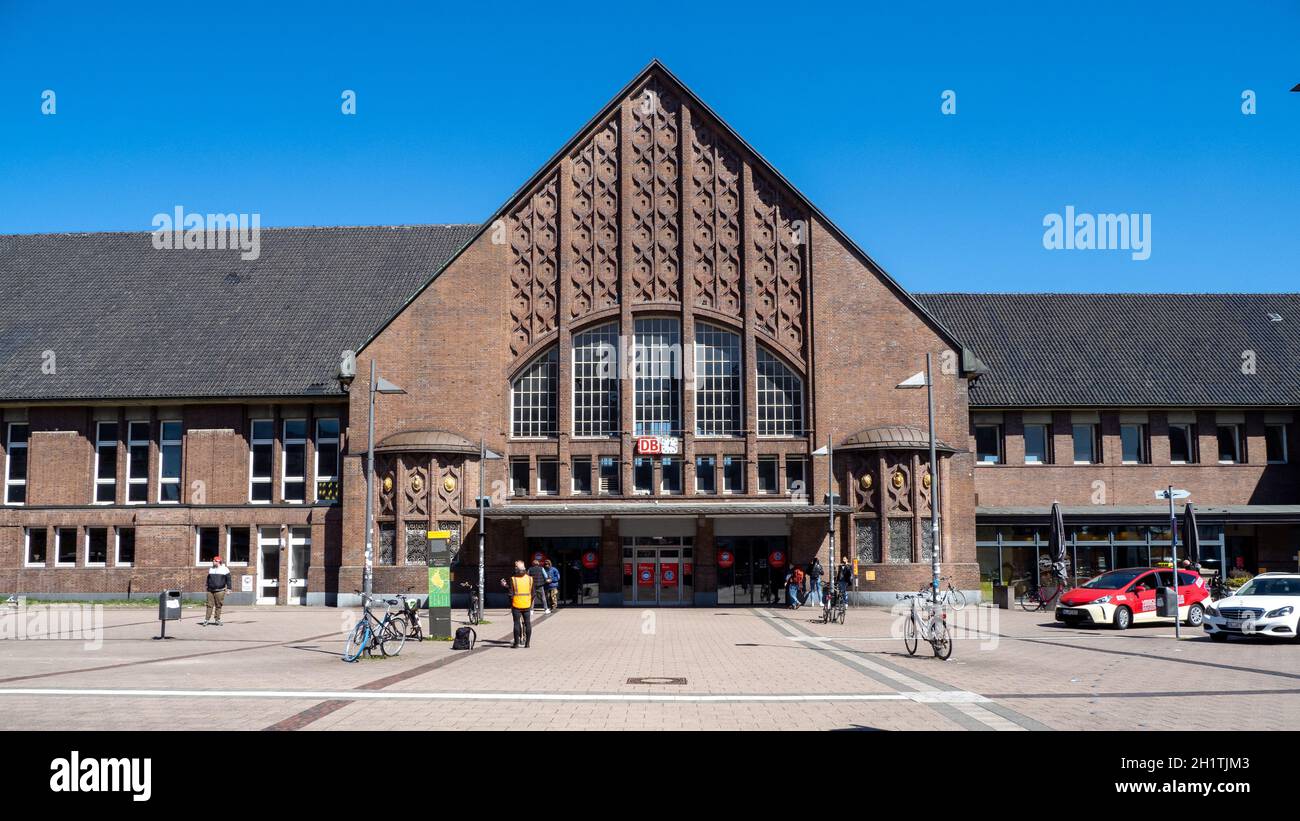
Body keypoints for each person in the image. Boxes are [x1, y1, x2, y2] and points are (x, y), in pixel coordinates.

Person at [500, 561, 533, 648]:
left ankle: (516, 643)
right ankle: (527, 643)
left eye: (515, 567)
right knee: (528, 623)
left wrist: (511, 603)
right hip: (527, 604)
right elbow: (533, 593)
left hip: (516, 604)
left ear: (517, 569)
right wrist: (529, 602)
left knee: (516, 623)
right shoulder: (530, 579)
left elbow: (511, 593)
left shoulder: (513, 579)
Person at [201, 555, 231, 626]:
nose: (213, 562)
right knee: (209, 605)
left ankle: (217, 620)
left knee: (218, 606)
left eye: (214, 561)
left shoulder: (225, 569)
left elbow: (229, 580)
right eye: (213, 560)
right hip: (210, 590)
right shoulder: (211, 569)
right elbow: (208, 578)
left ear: (218, 562)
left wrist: (229, 589)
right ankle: (206, 620)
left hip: (220, 591)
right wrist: (207, 585)